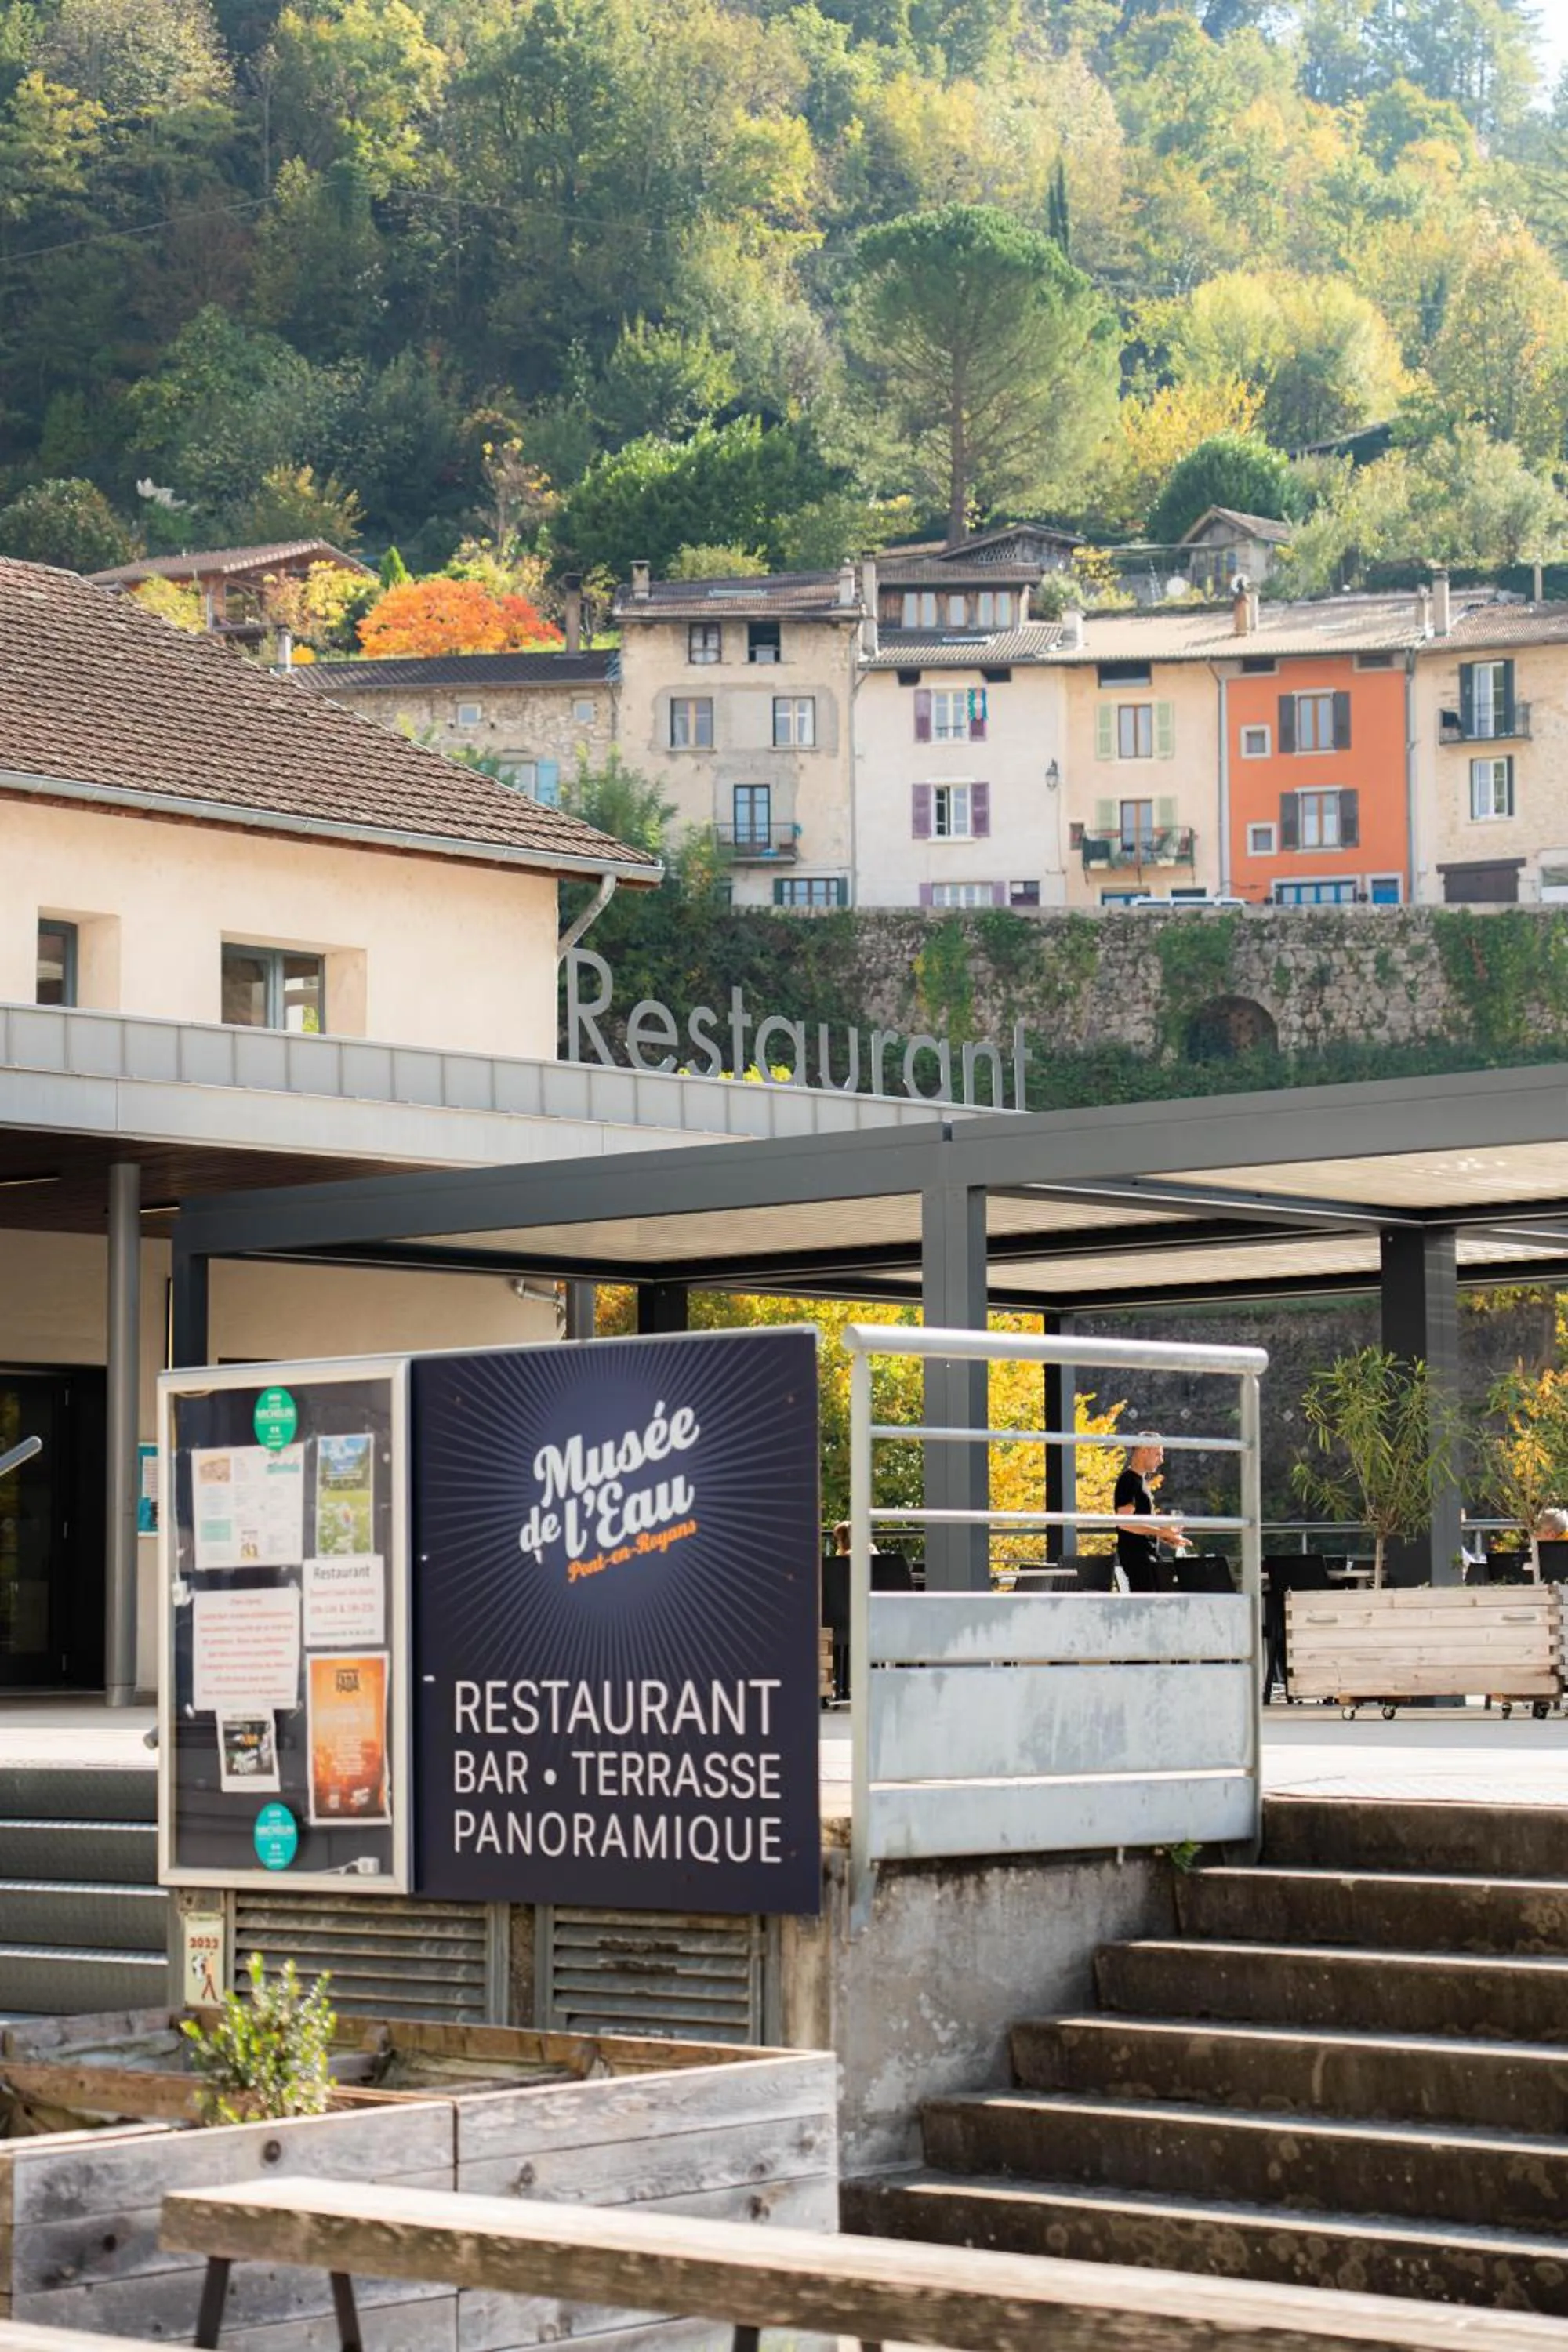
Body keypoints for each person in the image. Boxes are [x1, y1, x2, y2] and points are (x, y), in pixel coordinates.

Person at [1114, 1432, 1187, 1593]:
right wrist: (1161, 1532)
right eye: (1158, 1454)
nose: (1161, 1460)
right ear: (1143, 1451)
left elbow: (1140, 1521)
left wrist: (1166, 1535)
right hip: (1138, 1559)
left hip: (1147, 1558)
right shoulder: (1128, 1481)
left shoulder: (1140, 1482)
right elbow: (1125, 1523)